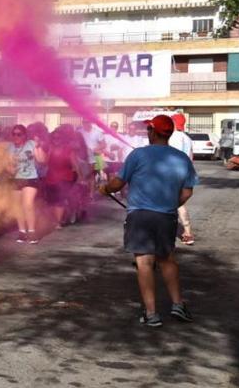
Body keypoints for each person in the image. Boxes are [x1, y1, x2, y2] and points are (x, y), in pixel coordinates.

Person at [99, 114, 197, 327]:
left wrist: (104, 189)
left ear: (152, 132)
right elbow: (187, 191)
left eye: (149, 129)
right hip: (167, 216)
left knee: (144, 262)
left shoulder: (138, 155)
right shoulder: (181, 158)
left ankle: (152, 314)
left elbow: (117, 184)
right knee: (167, 259)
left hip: (140, 216)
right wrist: (170, 204)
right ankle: (178, 304)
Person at [8, 125, 46, 244]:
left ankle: (31, 231)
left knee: (28, 205)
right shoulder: (10, 147)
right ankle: (22, 232)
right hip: (16, 179)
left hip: (30, 178)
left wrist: (39, 146)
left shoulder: (31, 144)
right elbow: (8, 166)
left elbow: (41, 160)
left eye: (19, 134)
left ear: (24, 135)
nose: (16, 136)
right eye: (14, 134)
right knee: (18, 207)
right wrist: (11, 168)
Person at [168, 114, 195, 245]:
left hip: (173, 173)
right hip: (186, 173)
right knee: (179, 202)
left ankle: (187, 233)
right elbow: (191, 157)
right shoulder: (187, 138)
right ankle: (187, 232)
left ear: (174, 122)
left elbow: (169, 157)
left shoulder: (173, 137)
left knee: (177, 204)